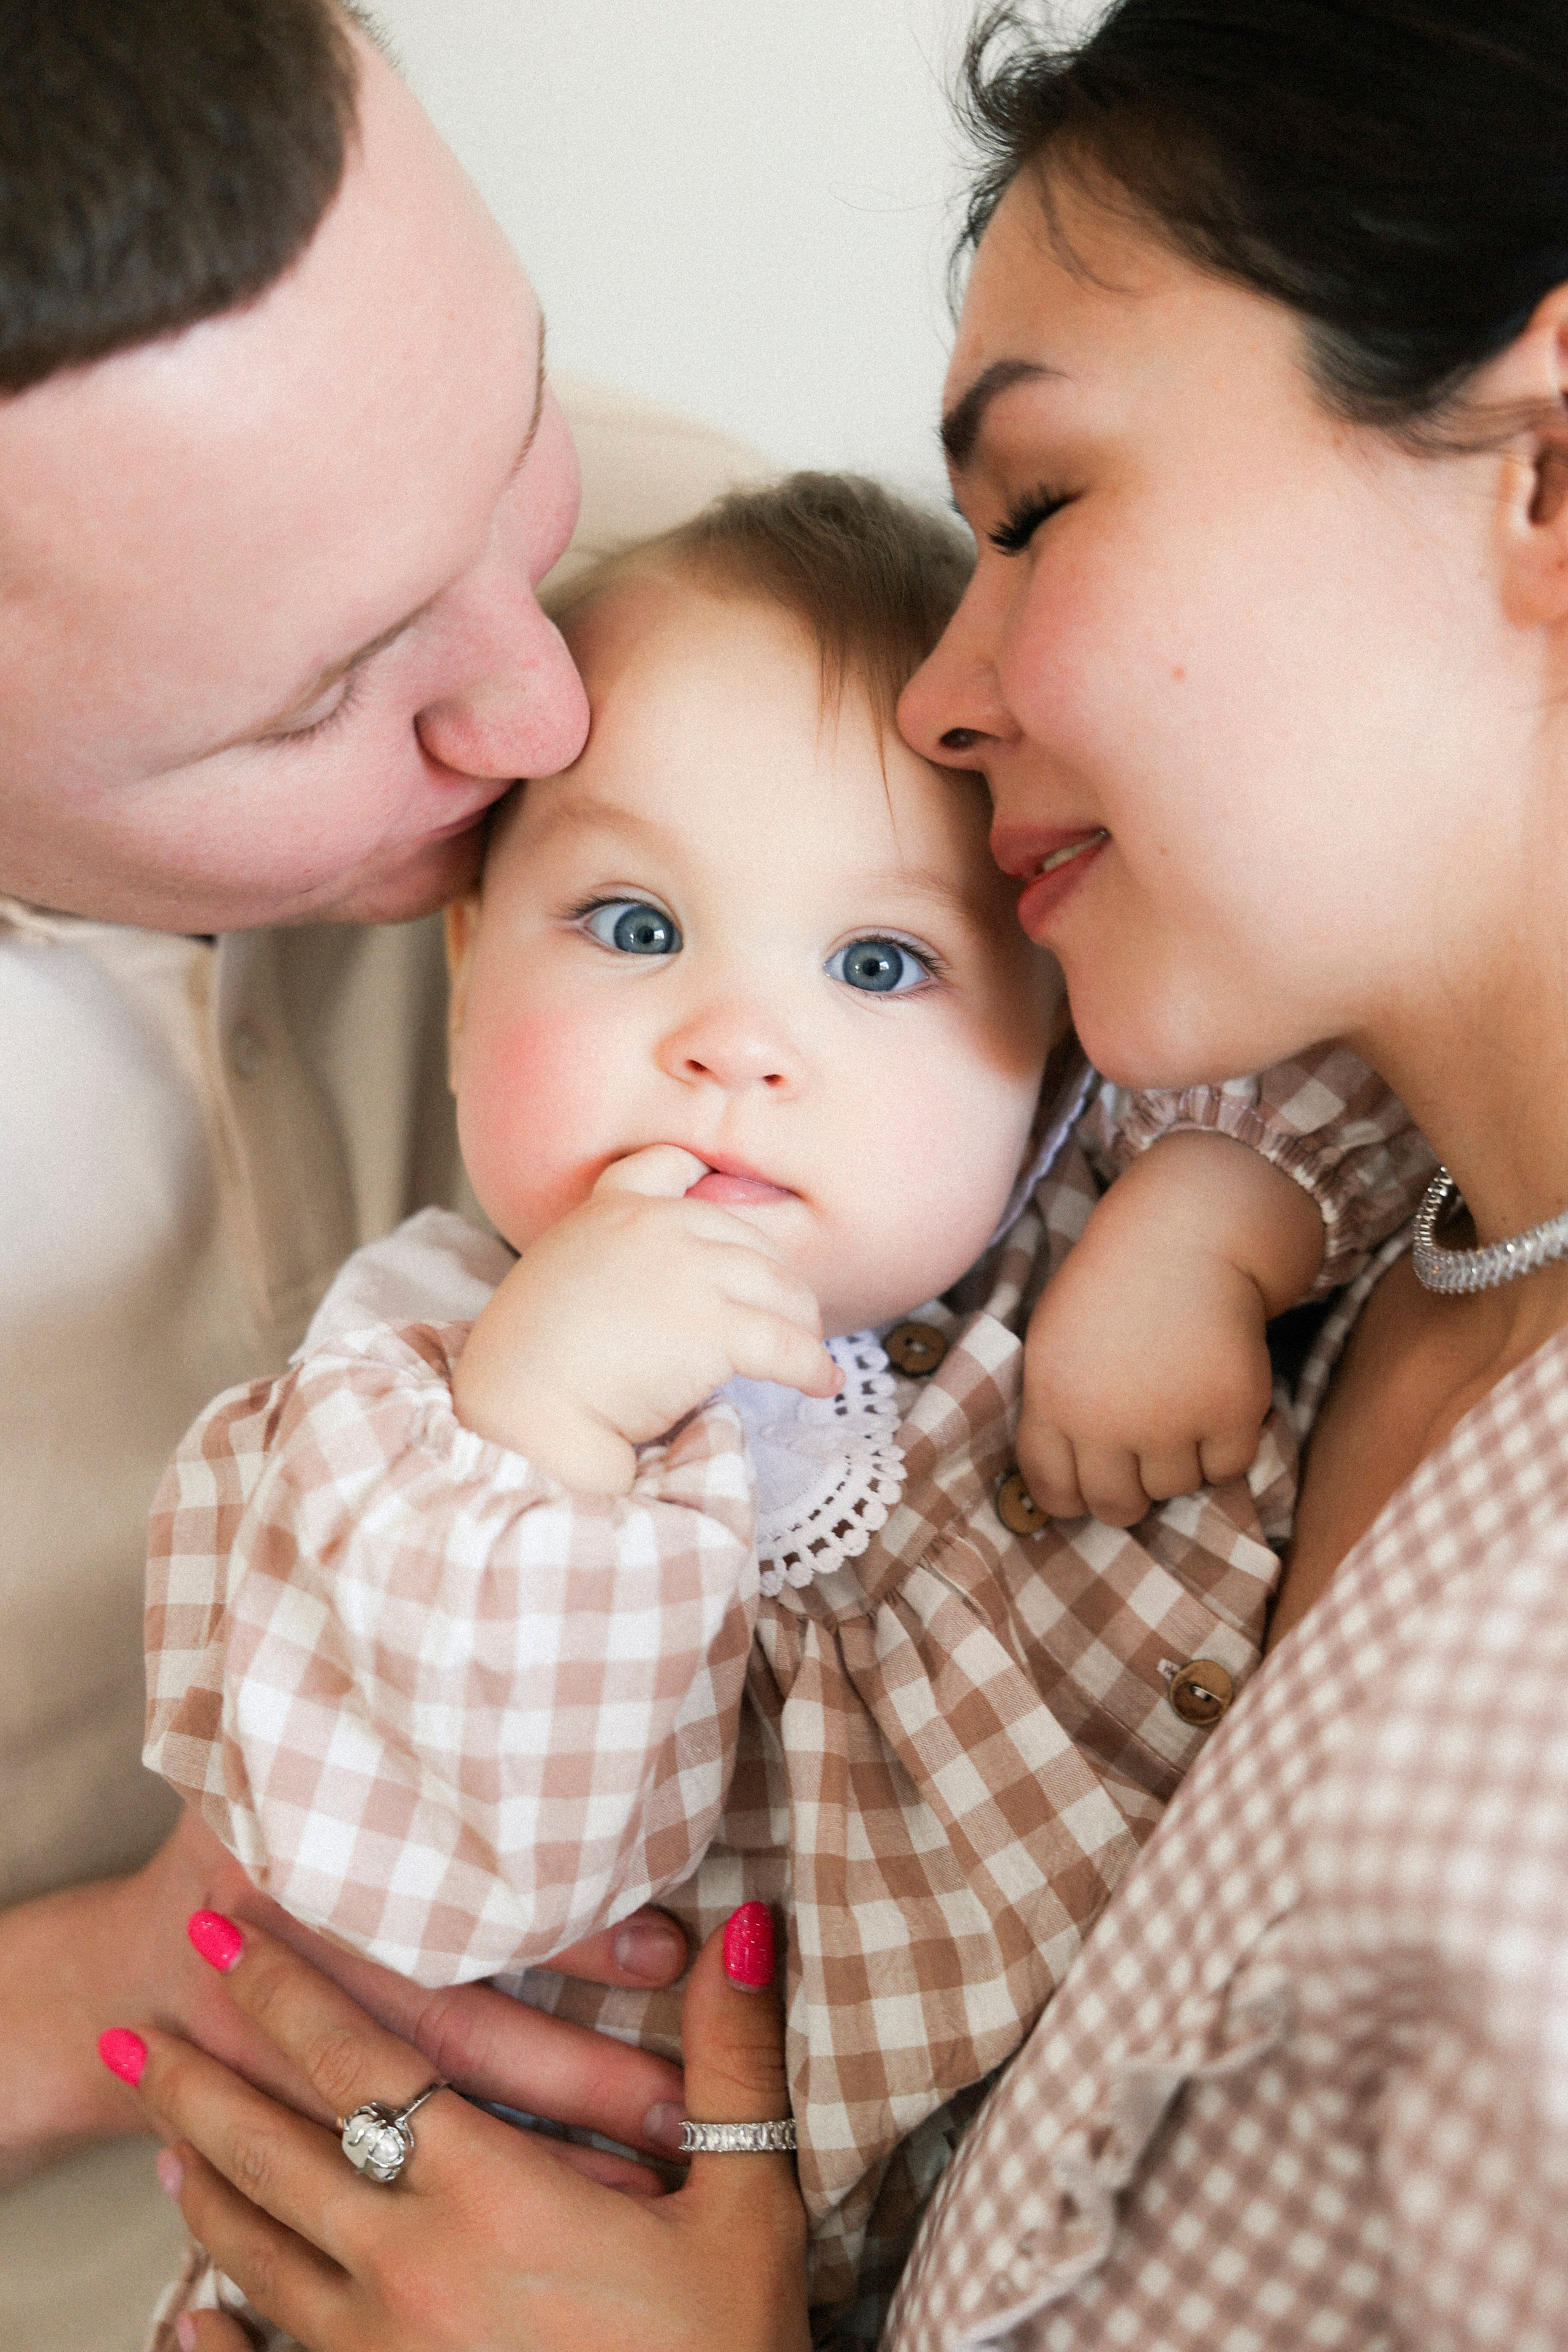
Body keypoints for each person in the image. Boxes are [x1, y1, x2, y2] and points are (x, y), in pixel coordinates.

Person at [104, 1, 1568, 2347]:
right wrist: (544, 1430)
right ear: (466, 950)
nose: (955, 700)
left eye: (1044, 508)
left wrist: (1212, 1218)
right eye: (631, 927)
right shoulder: (417, 1402)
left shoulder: (1166, 1184)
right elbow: (422, 1839)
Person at [0, 2, 767, 2338]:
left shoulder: (716, 581)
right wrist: (112, 2001)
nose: (543, 709)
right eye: (312, 701)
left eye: (509, 418)